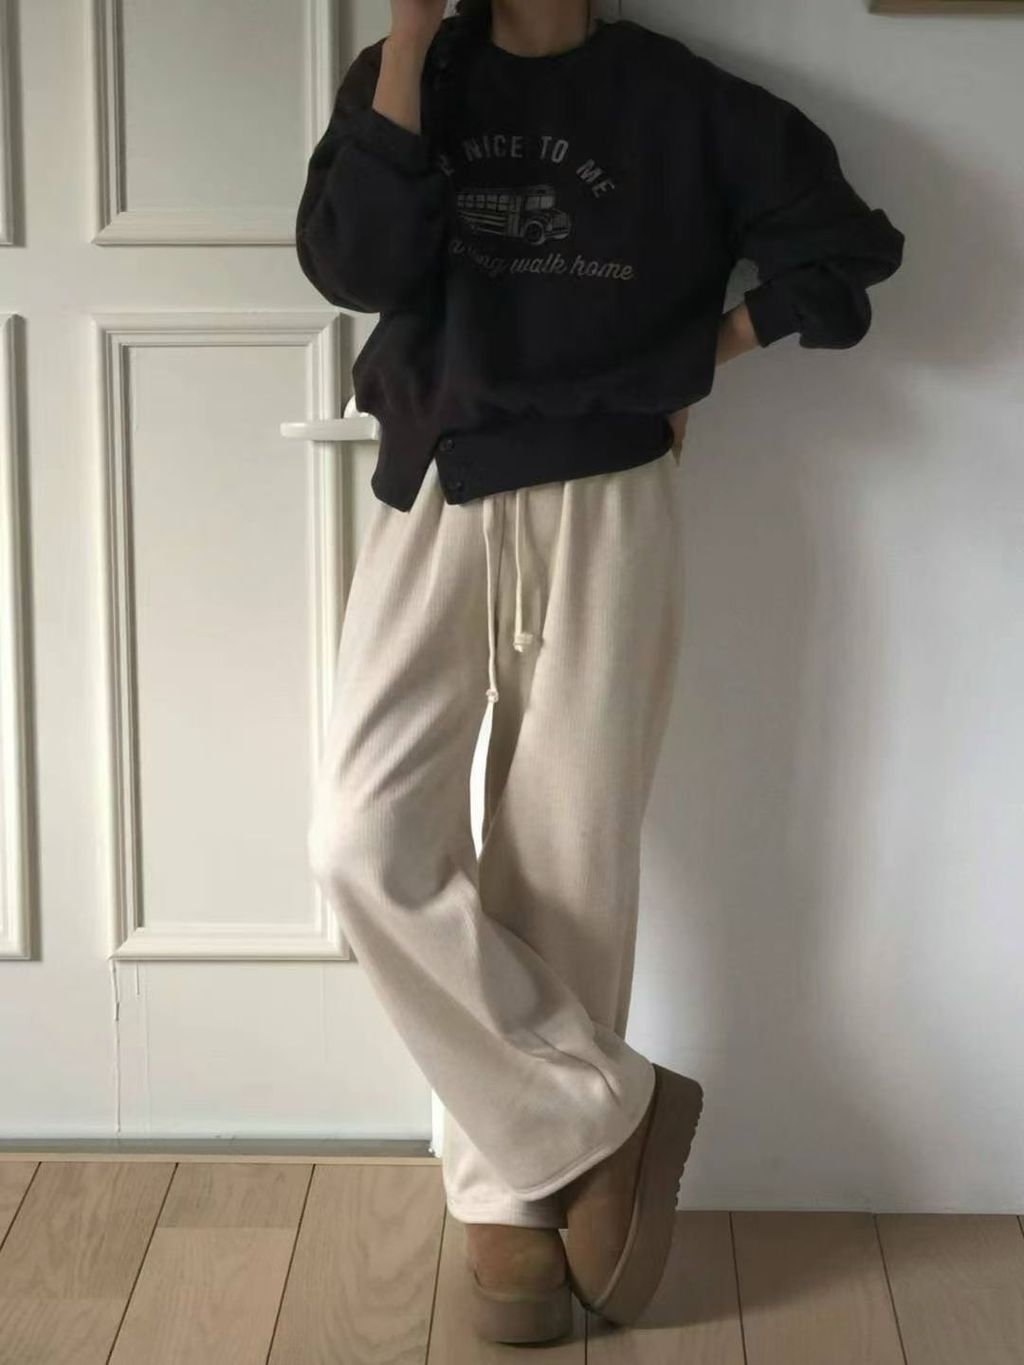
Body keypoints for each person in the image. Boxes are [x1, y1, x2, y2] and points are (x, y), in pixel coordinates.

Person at [295, 0, 904, 1344]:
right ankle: (605, 1115)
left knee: (566, 856)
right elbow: (355, 265)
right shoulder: (413, 73)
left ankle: (509, 1198)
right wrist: (409, 41)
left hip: (611, 496)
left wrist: (699, 355)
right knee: (360, 844)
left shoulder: (681, 101)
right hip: (437, 489)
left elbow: (848, 249)